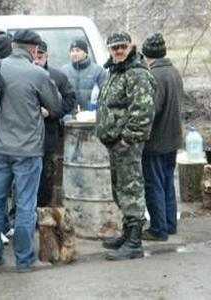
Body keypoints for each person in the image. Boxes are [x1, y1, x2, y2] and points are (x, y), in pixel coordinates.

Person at [0, 29, 63, 272]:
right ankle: (24, 261)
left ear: (14, 45)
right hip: (28, 150)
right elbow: (55, 106)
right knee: (25, 205)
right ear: (34, 49)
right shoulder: (37, 74)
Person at [97, 32, 156, 260]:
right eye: (114, 48)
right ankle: (127, 233)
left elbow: (143, 112)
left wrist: (126, 139)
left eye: (122, 47)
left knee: (131, 190)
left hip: (127, 144)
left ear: (131, 46)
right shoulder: (115, 71)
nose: (118, 51)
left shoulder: (137, 74)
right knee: (120, 188)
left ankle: (134, 243)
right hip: (116, 144)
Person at [141, 33, 183, 241]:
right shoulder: (174, 72)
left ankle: (158, 229)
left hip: (156, 141)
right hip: (173, 139)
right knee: (167, 182)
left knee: (154, 184)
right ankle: (169, 224)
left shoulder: (154, 76)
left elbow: (151, 111)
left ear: (147, 55)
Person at [34, 41, 75, 207]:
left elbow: (70, 99)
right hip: (23, 137)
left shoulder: (57, 77)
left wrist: (50, 113)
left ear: (46, 56)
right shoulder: (22, 75)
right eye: (34, 56)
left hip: (48, 134)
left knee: (46, 177)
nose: (37, 60)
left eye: (40, 56)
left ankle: (43, 212)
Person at [62, 38, 107, 111]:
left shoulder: (98, 71)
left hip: (91, 117)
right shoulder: (64, 71)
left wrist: (94, 109)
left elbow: (105, 95)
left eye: (78, 50)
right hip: (69, 117)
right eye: (72, 51)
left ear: (86, 52)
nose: (74, 53)